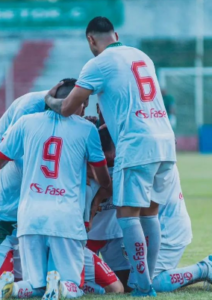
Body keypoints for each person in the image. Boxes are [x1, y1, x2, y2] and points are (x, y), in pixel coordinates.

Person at [45, 16, 176, 297]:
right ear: (115, 34)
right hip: (165, 142)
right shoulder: (142, 56)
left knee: (128, 214)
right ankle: (147, 280)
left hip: (137, 143)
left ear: (91, 39)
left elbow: (68, 107)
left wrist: (49, 100)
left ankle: (142, 286)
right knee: (150, 213)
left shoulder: (98, 63)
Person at [0, 81, 111, 299]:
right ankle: (62, 285)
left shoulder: (25, 122)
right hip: (65, 218)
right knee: (72, 285)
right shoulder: (86, 129)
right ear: (82, 103)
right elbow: (103, 178)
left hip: (29, 218)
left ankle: (13, 288)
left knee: (35, 284)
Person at [87, 127, 212, 293]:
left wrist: (99, 195)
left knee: (149, 283)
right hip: (146, 230)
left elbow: (118, 185)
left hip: (168, 229)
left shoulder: (143, 157)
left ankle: (205, 268)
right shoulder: (137, 148)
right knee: (127, 284)